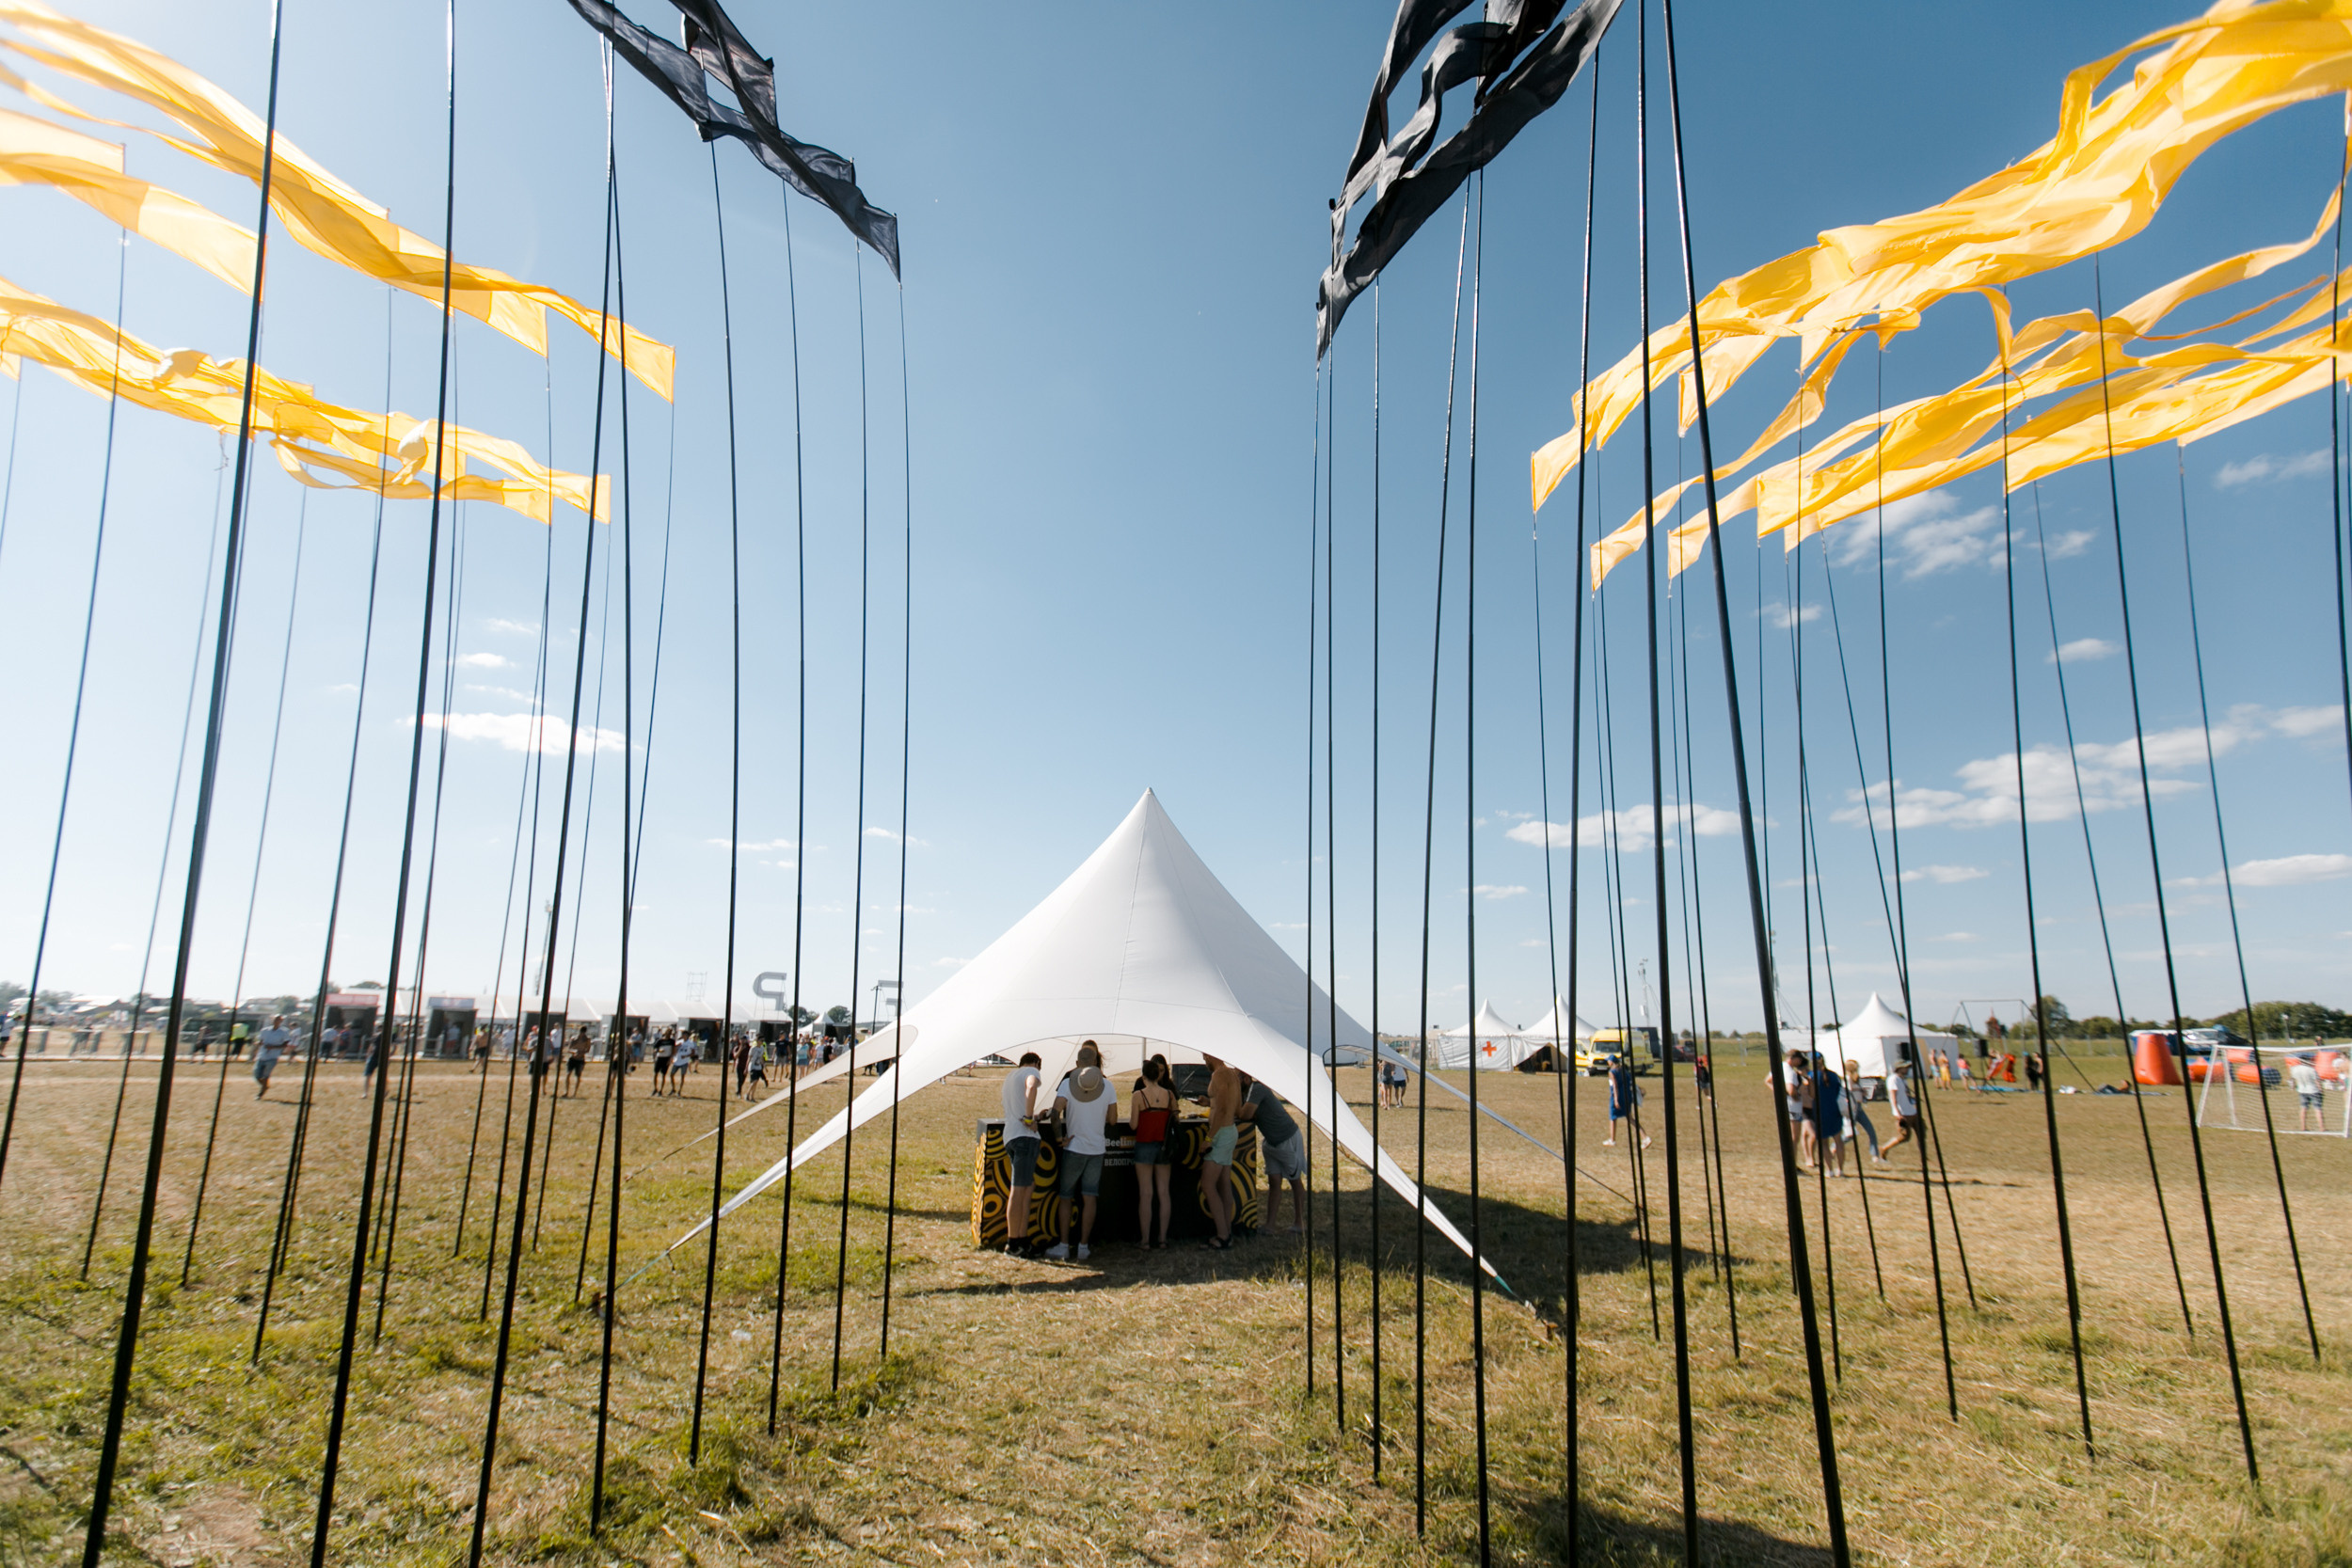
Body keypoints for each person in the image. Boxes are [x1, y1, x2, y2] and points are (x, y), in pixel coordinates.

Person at [1047, 1044, 1114, 1261]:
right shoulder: (1108, 1085)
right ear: (1096, 1063)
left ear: (1077, 1064)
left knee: (1066, 1197)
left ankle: (1063, 1245)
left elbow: (1055, 1114)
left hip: (1074, 1147)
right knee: (1090, 1197)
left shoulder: (1067, 1084)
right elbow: (1113, 1119)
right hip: (1097, 1149)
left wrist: (1059, 1138)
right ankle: (1084, 1246)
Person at [1240, 1071, 1308, 1235]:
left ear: (1246, 1079)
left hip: (1287, 1138)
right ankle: (1270, 1225)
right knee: (1274, 1182)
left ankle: (1300, 1223)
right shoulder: (1245, 1093)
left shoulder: (1258, 1088)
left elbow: (1246, 1115)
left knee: (1295, 1180)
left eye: (1237, 1078)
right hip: (1271, 1142)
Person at [1130, 1053, 1179, 1248]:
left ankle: (1145, 1240)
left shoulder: (1138, 1096)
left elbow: (1134, 1125)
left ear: (1144, 1077)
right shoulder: (1169, 1095)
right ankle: (1162, 1239)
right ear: (1158, 1075)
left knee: (1146, 1194)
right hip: (1164, 1146)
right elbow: (1176, 1119)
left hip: (1144, 1144)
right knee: (1164, 1193)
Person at [1000, 1051, 1045, 1257]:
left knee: (1026, 1188)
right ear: (1036, 1063)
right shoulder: (1031, 1072)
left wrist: (1034, 1116)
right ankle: (1013, 1242)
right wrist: (1029, 1119)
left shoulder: (1010, 1077)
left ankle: (1021, 1239)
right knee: (1019, 1190)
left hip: (1010, 1135)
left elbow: (1015, 1109)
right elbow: (1031, 1086)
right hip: (1024, 1137)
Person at [1199, 1052, 1241, 1250]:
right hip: (1229, 1130)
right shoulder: (1232, 1074)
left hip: (1221, 1133)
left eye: (1204, 1056)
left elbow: (1223, 1109)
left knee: (1208, 1184)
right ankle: (1227, 1232)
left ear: (1210, 1055)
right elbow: (1236, 1107)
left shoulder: (1219, 1075)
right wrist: (1210, 1103)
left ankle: (1222, 1235)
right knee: (1224, 1184)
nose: (1204, 1060)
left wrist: (1209, 1138)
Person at [1844, 1059, 1885, 1164]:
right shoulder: (1848, 1079)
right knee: (1850, 1135)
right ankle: (1834, 1147)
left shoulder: (1856, 1079)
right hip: (1852, 1108)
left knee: (1871, 1130)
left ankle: (1875, 1156)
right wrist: (1859, 1091)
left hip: (1859, 1108)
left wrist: (1862, 1092)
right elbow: (1848, 1091)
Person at [1814, 1054, 1848, 1177]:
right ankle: (1841, 1169)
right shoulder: (1834, 1076)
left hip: (1820, 1112)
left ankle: (1829, 1170)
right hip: (1835, 1110)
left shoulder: (1812, 1076)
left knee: (1824, 1143)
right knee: (1839, 1141)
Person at [1605, 1056, 1647, 1148]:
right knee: (1630, 1118)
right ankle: (1645, 1138)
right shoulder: (1623, 1071)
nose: (1607, 1062)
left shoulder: (1612, 1072)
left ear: (1611, 1062)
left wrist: (1616, 1100)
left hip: (1617, 1097)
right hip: (1627, 1096)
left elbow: (1615, 1086)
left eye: (1608, 1060)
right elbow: (1630, 1082)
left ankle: (1612, 1140)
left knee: (1612, 1117)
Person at [1882, 1062, 1922, 1156]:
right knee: (1904, 1137)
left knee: (1921, 1134)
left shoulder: (1902, 1079)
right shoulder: (1893, 1079)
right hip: (1903, 1113)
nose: (1908, 1069)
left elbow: (1906, 1095)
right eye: (1905, 1067)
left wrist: (1913, 1099)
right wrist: (1898, 1113)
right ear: (1899, 1068)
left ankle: (1923, 1157)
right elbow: (1893, 1097)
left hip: (1912, 1111)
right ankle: (1884, 1149)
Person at [252, 1014, 293, 1099]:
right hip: (262, 1055)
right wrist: (257, 1045)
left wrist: (274, 1047)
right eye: (274, 1019)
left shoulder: (284, 1031)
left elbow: (286, 1044)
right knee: (257, 1075)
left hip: (273, 1057)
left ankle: (260, 1094)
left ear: (281, 1021)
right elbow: (261, 1041)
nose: (276, 1021)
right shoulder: (265, 1030)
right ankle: (265, 1086)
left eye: (278, 1019)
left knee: (266, 1076)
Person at [2291, 1052, 2326, 1132]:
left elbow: (2292, 1080)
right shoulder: (2311, 1070)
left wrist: (2293, 1087)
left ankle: (2303, 1127)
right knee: (2318, 1109)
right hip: (2314, 1091)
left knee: (2303, 1108)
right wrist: (2321, 1090)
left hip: (2302, 1091)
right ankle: (2322, 1128)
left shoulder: (2294, 1069)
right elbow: (2317, 1081)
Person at [651, 1030, 675, 1095]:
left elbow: (673, 1050)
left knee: (663, 1075)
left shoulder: (672, 1041)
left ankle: (661, 1090)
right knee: (656, 1073)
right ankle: (655, 1088)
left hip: (666, 1058)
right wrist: (659, 1050)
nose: (669, 1034)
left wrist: (670, 1059)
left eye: (670, 1033)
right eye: (668, 1033)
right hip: (659, 1058)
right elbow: (654, 1049)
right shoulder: (660, 1041)